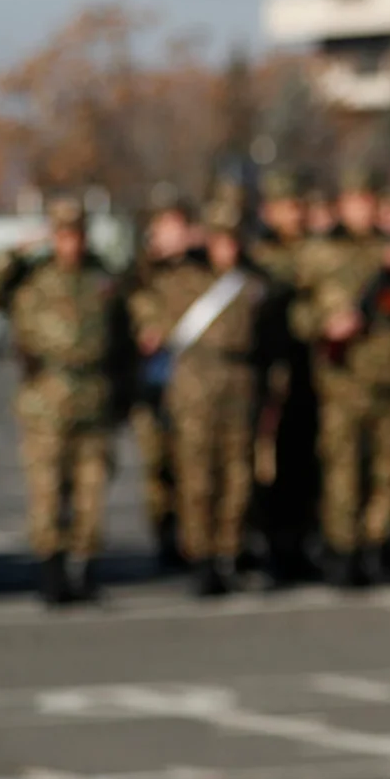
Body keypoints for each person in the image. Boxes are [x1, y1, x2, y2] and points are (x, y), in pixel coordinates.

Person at [0, 197, 126, 606]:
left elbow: (124, 336)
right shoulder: (31, 276)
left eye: (76, 235)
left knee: (91, 491)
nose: (70, 244)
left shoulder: (102, 277)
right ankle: (52, 573)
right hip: (46, 397)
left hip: (93, 396)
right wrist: (14, 252)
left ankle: (88, 570)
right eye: (61, 235)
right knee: (46, 490)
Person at [129, 203, 271, 597]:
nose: (226, 248)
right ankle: (202, 556)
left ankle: (229, 551)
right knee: (197, 475)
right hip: (194, 385)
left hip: (238, 384)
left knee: (238, 476)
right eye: (218, 239)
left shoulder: (252, 281)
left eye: (232, 240)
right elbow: (138, 282)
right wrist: (165, 245)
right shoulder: (181, 278)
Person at [298, 168, 390, 587]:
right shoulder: (321, 253)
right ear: (341, 205)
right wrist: (326, 324)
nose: (362, 209)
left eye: (369, 201)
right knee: (343, 469)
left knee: (386, 470)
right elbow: (296, 313)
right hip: (343, 380)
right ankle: (343, 549)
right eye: (355, 201)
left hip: (387, 376)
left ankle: (376, 548)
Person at [247, 171, 321, 586]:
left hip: (310, 371)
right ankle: (271, 545)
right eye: (286, 206)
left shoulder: (314, 250)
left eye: (298, 205)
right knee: (268, 465)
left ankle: (299, 542)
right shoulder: (259, 255)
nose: (295, 214)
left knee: (305, 462)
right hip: (273, 372)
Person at [124, 186, 195, 571]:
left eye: (177, 227)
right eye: (164, 227)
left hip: (192, 386)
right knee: (157, 465)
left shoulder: (199, 271)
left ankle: (191, 537)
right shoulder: (139, 274)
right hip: (151, 384)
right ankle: (164, 534)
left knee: (192, 464)